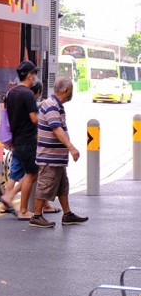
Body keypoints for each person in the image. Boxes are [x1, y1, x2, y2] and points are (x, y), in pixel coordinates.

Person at [29, 77, 88, 228]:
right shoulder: (52, 105)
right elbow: (56, 129)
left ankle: (67, 214)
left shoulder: (55, 104)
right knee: (45, 185)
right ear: (66, 90)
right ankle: (36, 216)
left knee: (63, 186)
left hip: (56, 158)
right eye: (71, 90)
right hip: (49, 157)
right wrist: (71, 147)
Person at [0, 79, 60, 215]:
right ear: (37, 92)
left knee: (15, 175)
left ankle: (7, 202)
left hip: (16, 142)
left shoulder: (15, 97)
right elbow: (35, 121)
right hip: (27, 144)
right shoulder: (30, 104)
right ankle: (13, 201)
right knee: (33, 173)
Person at [0, 60, 40, 220]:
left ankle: (9, 197)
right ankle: (22, 210)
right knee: (31, 174)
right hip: (27, 139)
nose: (35, 77)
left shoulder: (12, 93)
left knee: (29, 174)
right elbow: (34, 118)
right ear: (30, 76)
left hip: (16, 139)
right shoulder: (28, 94)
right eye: (34, 74)